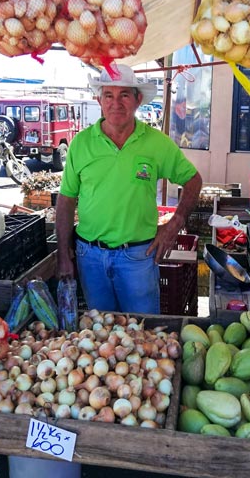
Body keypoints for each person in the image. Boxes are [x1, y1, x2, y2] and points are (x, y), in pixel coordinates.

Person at [55, 63, 202, 314]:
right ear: (99, 100)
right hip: (90, 256)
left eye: (124, 94)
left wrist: (174, 225)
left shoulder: (157, 143)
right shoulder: (81, 143)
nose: (116, 103)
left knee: (143, 332)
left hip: (139, 256)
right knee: (101, 335)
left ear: (137, 100)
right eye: (108, 95)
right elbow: (66, 199)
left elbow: (193, 180)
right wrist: (63, 253)